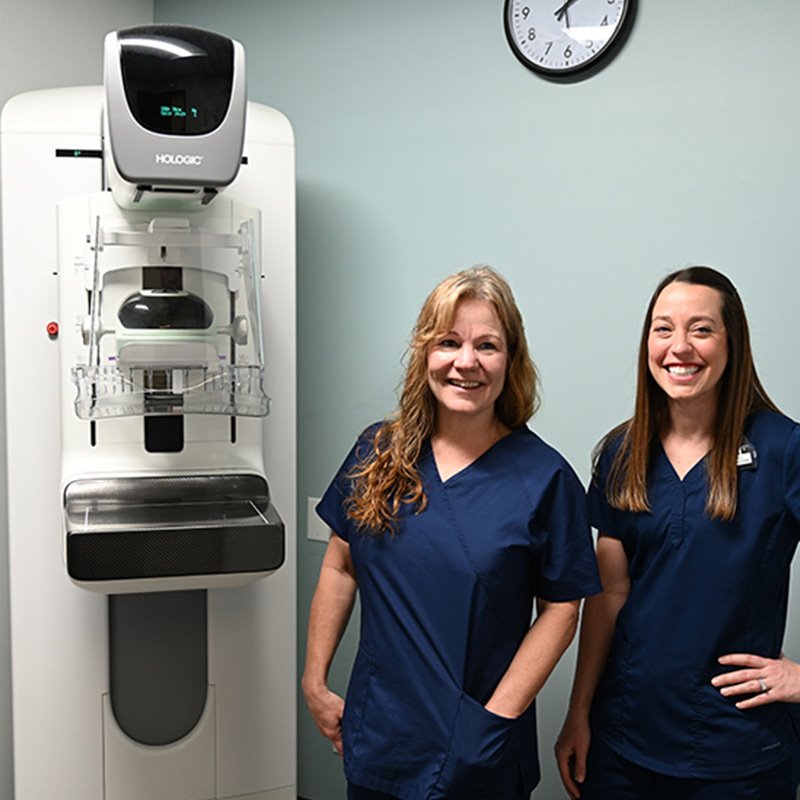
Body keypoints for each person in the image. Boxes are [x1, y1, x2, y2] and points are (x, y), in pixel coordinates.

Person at [302, 266, 601, 800]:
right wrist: (315, 679)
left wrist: (494, 719)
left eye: (487, 345)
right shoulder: (379, 451)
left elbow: (560, 610)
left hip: (479, 741)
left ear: (511, 360)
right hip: (381, 733)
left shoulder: (545, 478)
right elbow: (341, 563)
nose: (466, 362)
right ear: (425, 353)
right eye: (449, 342)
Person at [555, 266, 800, 799]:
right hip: (623, 742)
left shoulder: (784, 451)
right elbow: (608, 596)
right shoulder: (622, 453)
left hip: (735, 756)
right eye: (663, 329)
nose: (679, 347)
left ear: (733, 343)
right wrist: (579, 711)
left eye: (702, 329)